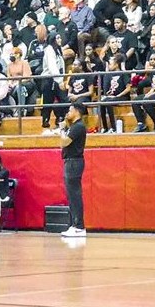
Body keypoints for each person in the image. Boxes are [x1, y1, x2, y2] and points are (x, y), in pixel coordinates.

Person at [58, 100, 88, 238]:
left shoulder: (78, 127)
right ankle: (74, 225)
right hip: (69, 161)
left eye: (70, 110)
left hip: (74, 162)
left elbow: (65, 142)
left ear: (76, 111)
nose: (67, 113)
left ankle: (79, 226)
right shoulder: (73, 126)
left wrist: (62, 129)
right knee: (71, 195)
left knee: (75, 195)